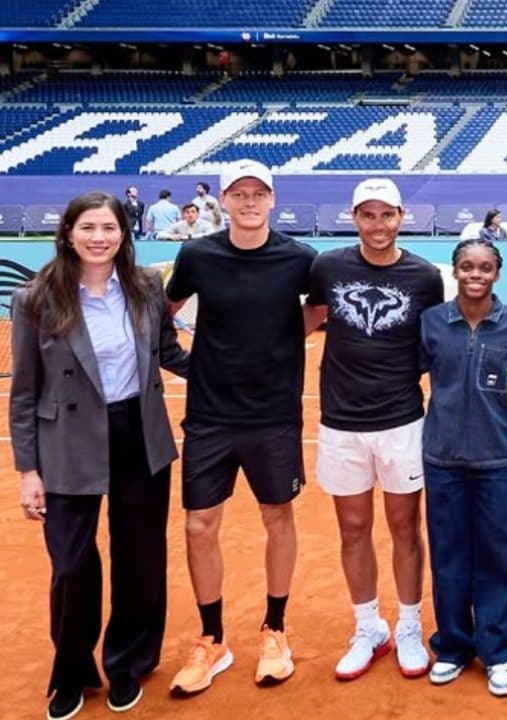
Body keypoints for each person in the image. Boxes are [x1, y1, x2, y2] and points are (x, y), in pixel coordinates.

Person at [11, 192, 188, 720]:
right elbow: (23, 392)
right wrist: (27, 470)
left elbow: (168, 353)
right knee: (71, 565)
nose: (98, 237)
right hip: (66, 438)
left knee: (139, 558)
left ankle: (128, 662)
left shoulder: (144, 287)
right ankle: (71, 669)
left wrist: (232, 371)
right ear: (67, 233)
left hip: (137, 430)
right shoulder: (36, 299)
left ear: (123, 234)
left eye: (108, 227)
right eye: (87, 227)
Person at [166, 159, 318, 695]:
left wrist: (280, 340)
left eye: (259, 193)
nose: (249, 201)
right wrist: (184, 361)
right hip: (209, 414)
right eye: (239, 193)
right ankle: (213, 640)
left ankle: (275, 631)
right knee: (198, 525)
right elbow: (166, 309)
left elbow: (319, 309)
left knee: (277, 517)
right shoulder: (197, 255)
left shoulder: (300, 258)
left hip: (274, 413)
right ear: (223, 201)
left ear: (272, 200)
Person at [305, 178, 445, 681]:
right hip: (341, 422)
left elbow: (435, 341)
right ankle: (369, 626)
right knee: (354, 528)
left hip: (402, 420)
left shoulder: (425, 276)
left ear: (402, 216)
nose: (378, 225)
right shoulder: (328, 266)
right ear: (354, 218)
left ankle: (409, 624)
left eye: (387, 215)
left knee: (406, 526)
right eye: (368, 215)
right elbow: (308, 320)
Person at [419, 239, 507, 697]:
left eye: (484, 267)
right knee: (449, 556)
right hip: (442, 458)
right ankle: (452, 647)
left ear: (497, 274)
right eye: (467, 266)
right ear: (455, 270)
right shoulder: (431, 323)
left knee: (499, 558)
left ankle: (497, 651)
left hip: (497, 460)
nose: (475, 274)